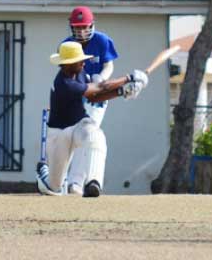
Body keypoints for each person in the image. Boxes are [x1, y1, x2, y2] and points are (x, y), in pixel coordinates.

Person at [36, 42, 147, 197]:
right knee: (54, 188)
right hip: (59, 133)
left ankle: (93, 183)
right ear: (68, 64)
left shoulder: (79, 73)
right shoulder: (64, 83)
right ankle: (44, 174)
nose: (83, 62)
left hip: (79, 124)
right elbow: (100, 87)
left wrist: (122, 91)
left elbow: (95, 97)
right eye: (79, 60)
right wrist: (129, 78)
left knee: (96, 136)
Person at [62, 6, 119, 127]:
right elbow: (66, 73)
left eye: (84, 27)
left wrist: (101, 78)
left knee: (89, 129)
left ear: (91, 25)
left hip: (97, 92)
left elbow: (109, 65)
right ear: (72, 27)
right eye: (78, 27)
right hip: (77, 92)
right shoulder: (66, 45)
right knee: (71, 130)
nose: (81, 31)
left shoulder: (102, 40)